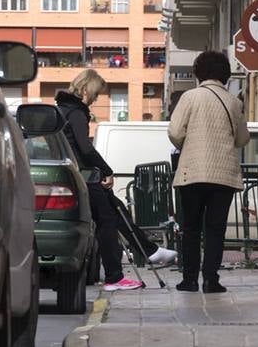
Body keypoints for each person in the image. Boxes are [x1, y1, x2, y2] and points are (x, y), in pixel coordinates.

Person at [56, 70, 176, 292]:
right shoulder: (76, 113)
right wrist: (106, 170)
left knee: (116, 208)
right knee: (108, 221)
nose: (96, 99)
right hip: (85, 176)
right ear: (85, 90)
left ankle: (150, 250)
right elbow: (85, 147)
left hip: (80, 175)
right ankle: (115, 276)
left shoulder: (62, 110)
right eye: (95, 94)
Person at [167, 50, 251, 293]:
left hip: (192, 173)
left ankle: (190, 279)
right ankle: (211, 280)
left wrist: (188, 143)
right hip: (223, 175)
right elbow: (243, 138)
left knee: (191, 228)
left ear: (199, 72)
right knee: (216, 229)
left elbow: (175, 131)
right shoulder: (234, 102)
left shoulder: (190, 97)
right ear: (225, 75)